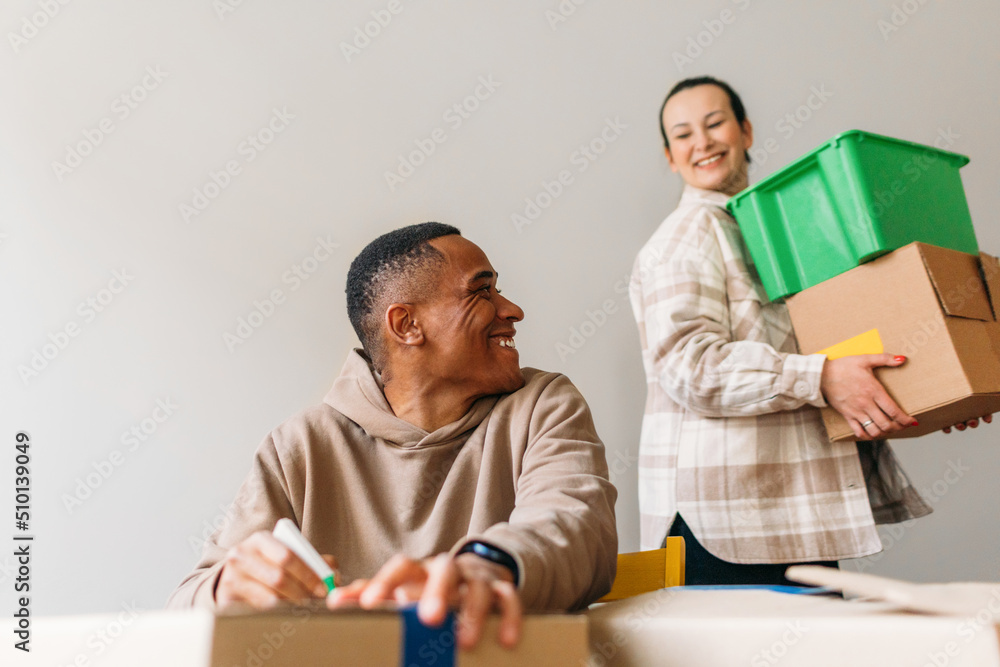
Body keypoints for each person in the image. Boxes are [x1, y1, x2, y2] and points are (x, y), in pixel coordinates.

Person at [167, 222, 618, 649]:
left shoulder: (543, 405)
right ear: (406, 325)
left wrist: (488, 567)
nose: (512, 310)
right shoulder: (300, 445)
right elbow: (183, 610)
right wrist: (228, 587)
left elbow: (578, 526)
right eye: (482, 291)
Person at [628, 76, 941, 586]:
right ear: (670, 157)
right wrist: (820, 379)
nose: (702, 142)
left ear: (746, 130)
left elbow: (831, 350)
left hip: (783, 519)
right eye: (683, 135)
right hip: (726, 524)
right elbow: (689, 366)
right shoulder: (687, 234)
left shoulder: (769, 231)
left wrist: (935, 391)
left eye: (714, 124)